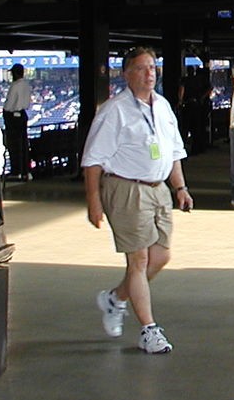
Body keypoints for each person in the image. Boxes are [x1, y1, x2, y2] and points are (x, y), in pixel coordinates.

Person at [82, 47, 193, 356]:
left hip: (158, 189)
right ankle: (149, 329)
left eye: (152, 67)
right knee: (139, 260)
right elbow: (92, 160)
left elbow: (173, 152)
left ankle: (116, 298)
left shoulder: (163, 106)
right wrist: (94, 201)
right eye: (142, 68)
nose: (149, 73)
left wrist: (180, 187)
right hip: (126, 189)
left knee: (161, 256)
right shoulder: (114, 111)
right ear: (126, 74)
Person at [2, 63, 33, 179]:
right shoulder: (26, 85)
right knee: (24, 144)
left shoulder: (15, 86)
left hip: (13, 116)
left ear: (15, 73)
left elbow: (9, 104)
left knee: (14, 145)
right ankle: (26, 171)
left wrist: (5, 112)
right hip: (23, 114)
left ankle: (16, 171)